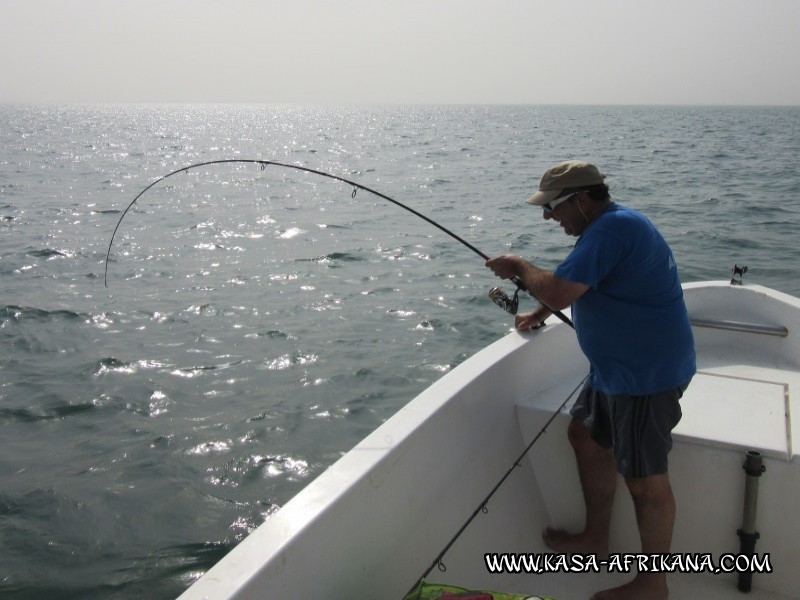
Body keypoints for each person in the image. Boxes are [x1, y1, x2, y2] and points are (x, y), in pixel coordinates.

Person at [486, 160, 696, 600]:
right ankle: (595, 540)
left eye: (554, 207)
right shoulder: (602, 231)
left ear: (582, 200)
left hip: (644, 376)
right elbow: (578, 283)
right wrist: (540, 312)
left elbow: (561, 288)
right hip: (615, 370)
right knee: (584, 436)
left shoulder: (613, 230)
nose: (548, 217)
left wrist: (520, 267)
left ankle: (653, 585)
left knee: (645, 482)